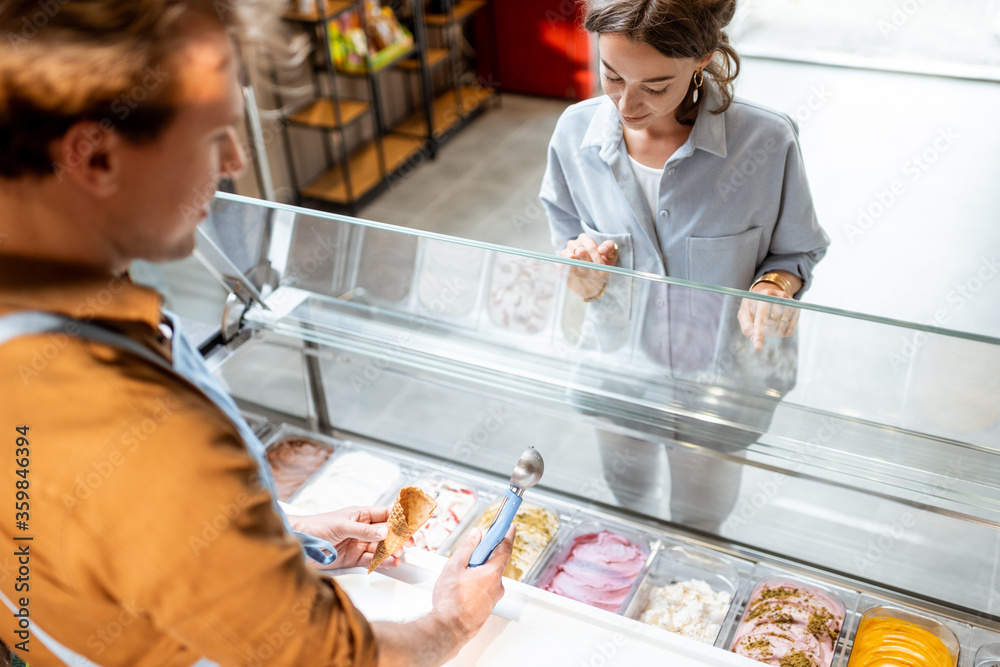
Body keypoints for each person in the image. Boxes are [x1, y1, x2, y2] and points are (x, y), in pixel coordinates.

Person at [0, 1, 512, 665]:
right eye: (213, 134)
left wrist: (277, 535)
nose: (237, 160)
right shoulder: (136, 428)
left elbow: (114, 542)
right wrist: (449, 620)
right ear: (95, 157)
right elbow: (328, 657)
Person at [540, 0, 830, 530]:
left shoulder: (765, 143)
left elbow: (796, 251)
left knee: (699, 518)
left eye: (655, 87)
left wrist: (772, 286)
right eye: (611, 75)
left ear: (703, 60)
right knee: (625, 498)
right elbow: (568, 241)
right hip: (620, 369)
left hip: (720, 380)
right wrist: (584, 275)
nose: (627, 104)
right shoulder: (574, 136)